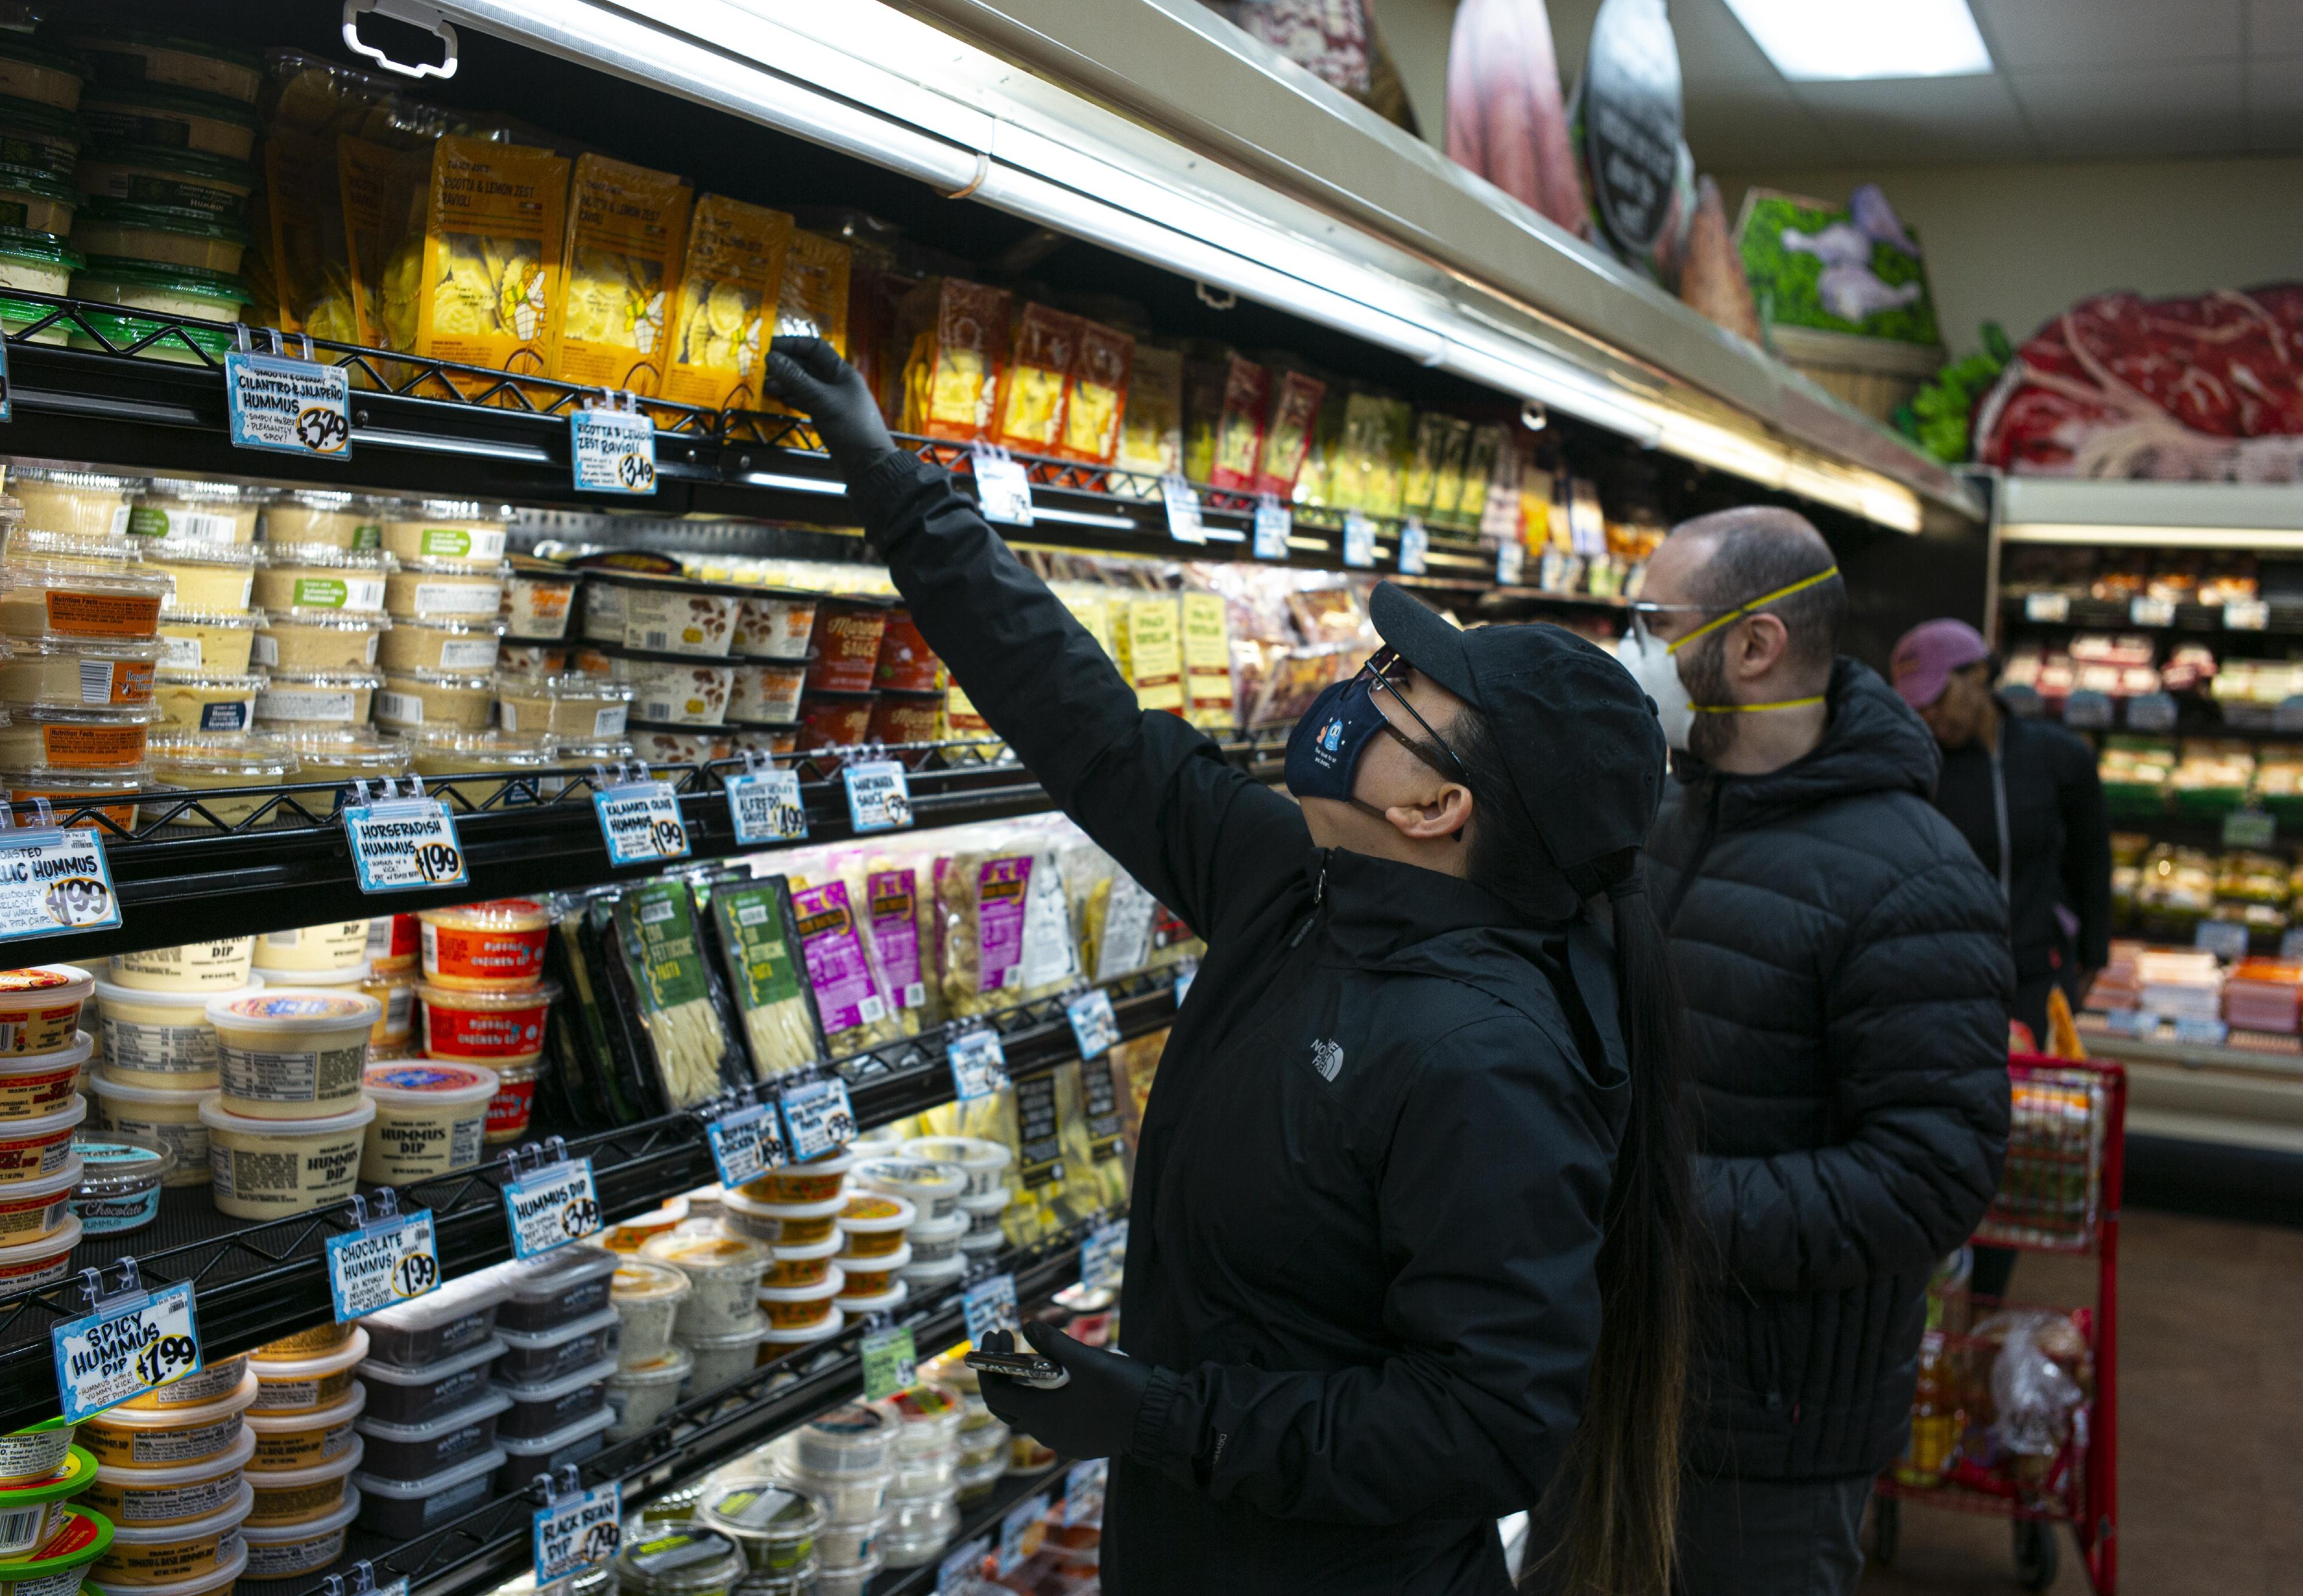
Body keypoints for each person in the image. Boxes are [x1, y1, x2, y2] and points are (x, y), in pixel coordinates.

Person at [764, 336, 1694, 1596]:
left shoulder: (1484, 1061)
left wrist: (1161, 1418)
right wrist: (891, 479)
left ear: (1438, 809)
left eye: (1399, 690)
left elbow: (1484, 1430)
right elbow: (1086, 724)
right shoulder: (1299, 888)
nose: (1353, 690)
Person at [1608, 504, 2013, 1596]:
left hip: (1768, 1438)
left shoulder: (1911, 878)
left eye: (1651, 621)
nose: (1629, 651)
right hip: (1612, 1387)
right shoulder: (1662, 818)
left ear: (1752, 645)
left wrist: (1652, 1206)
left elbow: (1930, 1177)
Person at [1891, 618, 2113, 1039]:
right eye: (1917, 706)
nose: (1929, 716)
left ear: (1978, 674)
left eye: (1937, 698)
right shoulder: (1916, 770)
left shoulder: (2058, 757)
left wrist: (2092, 957)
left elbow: (2092, 859)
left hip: (2038, 979)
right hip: (1943, 987)